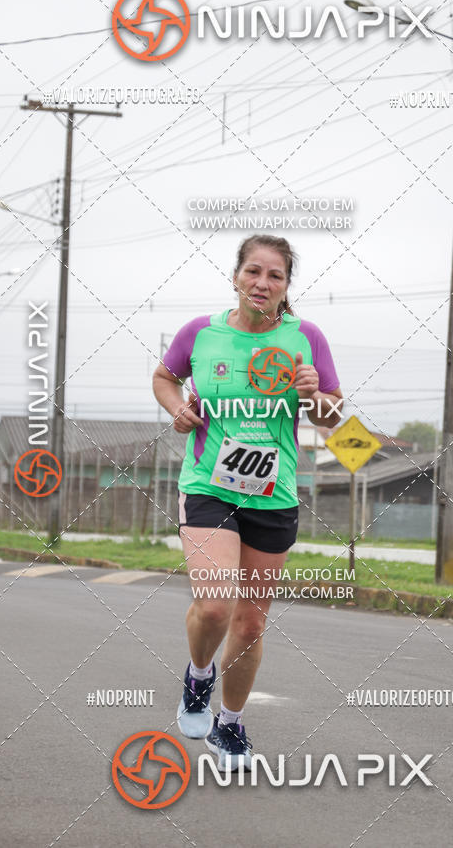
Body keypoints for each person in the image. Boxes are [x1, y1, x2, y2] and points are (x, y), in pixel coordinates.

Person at [152, 234, 342, 770]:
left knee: (251, 622)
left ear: (286, 287)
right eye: (253, 271)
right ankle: (198, 676)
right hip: (209, 487)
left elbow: (331, 418)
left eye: (275, 276)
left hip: (273, 494)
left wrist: (313, 395)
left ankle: (229, 724)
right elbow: (166, 378)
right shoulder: (201, 334)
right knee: (214, 603)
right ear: (236, 275)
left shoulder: (306, 338)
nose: (263, 283)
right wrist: (177, 409)